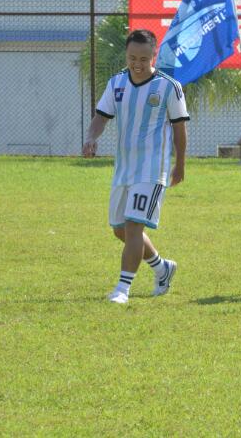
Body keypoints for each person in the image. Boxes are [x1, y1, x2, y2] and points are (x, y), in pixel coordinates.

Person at [82, 29, 188, 304]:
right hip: (124, 170)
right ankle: (162, 268)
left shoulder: (168, 87)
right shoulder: (117, 83)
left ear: (154, 55)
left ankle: (122, 289)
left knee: (133, 227)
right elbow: (101, 117)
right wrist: (91, 137)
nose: (137, 64)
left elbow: (179, 129)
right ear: (126, 55)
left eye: (143, 58)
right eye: (132, 58)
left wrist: (180, 164)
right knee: (120, 229)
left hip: (152, 170)